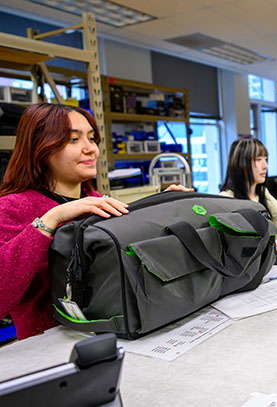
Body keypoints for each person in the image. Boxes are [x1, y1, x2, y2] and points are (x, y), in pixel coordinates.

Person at [0, 103, 190, 341]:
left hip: (116, 334)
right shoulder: (12, 207)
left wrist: (161, 207)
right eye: (73, 139)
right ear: (40, 147)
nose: (90, 149)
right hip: (50, 346)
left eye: (91, 138)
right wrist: (51, 219)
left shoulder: (97, 201)